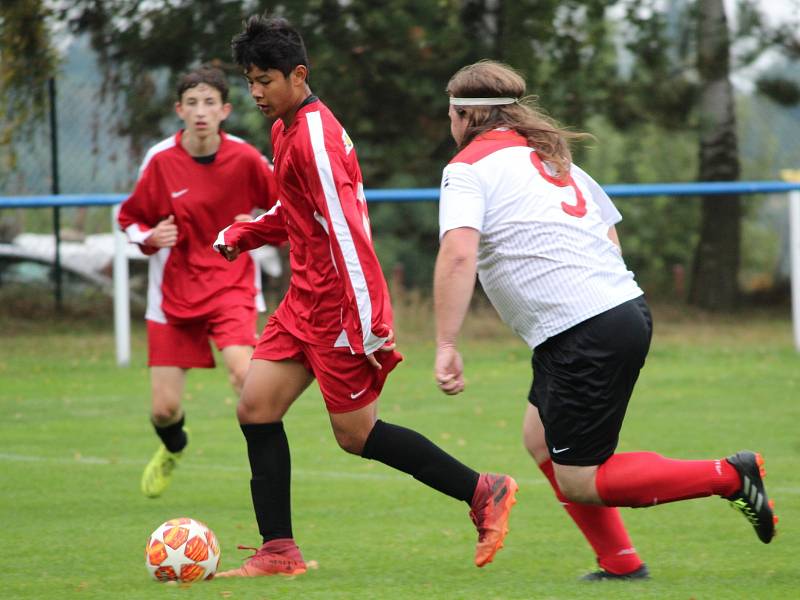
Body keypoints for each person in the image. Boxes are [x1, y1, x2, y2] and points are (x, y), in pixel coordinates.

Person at [433, 60, 777, 580]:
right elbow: (608, 232)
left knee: (582, 479)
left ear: (463, 116)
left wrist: (446, 343)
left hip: (583, 330)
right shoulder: (550, 158)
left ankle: (730, 476)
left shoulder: (467, 169)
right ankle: (619, 563)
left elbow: (459, 255)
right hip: (613, 313)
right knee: (539, 439)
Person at [212, 15, 517, 578]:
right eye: (249, 81)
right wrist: (246, 232)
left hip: (338, 311)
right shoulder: (285, 129)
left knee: (356, 436)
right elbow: (299, 210)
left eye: (264, 81)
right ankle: (278, 550)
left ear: (298, 75)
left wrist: (370, 323)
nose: (255, 92)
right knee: (255, 408)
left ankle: (483, 490)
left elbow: (349, 233)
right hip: (304, 301)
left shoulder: (315, 138)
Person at [117, 65, 277, 498]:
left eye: (210, 103)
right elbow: (129, 218)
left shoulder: (246, 158)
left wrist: (257, 222)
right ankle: (174, 446)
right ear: (179, 110)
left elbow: (287, 202)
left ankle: (267, 477)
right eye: (192, 103)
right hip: (173, 295)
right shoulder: (161, 160)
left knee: (246, 376)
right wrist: (151, 238)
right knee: (164, 408)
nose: (201, 111)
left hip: (231, 283)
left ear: (225, 110)